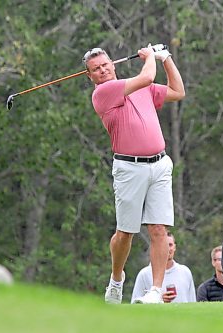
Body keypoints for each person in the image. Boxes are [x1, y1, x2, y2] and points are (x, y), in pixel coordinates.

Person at [83, 44, 185, 304]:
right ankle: (117, 280)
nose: (102, 70)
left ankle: (155, 291)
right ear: (90, 76)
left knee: (159, 229)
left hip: (160, 164)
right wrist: (150, 57)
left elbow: (178, 91)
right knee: (125, 233)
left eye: (105, 65)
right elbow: (147, 77)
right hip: (129, 168)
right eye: (96, 69)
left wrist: (166, 59)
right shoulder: (102, 93)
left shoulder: (142, 89)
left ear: (113, 64)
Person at [131, 231, 196, 303]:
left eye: (170, 245)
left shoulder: (185, 272)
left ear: (175, 247)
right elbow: (135, 304)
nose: (167, 249)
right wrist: (159, 300)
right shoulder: (144, 274)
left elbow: (192, 302)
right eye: (164, 246)